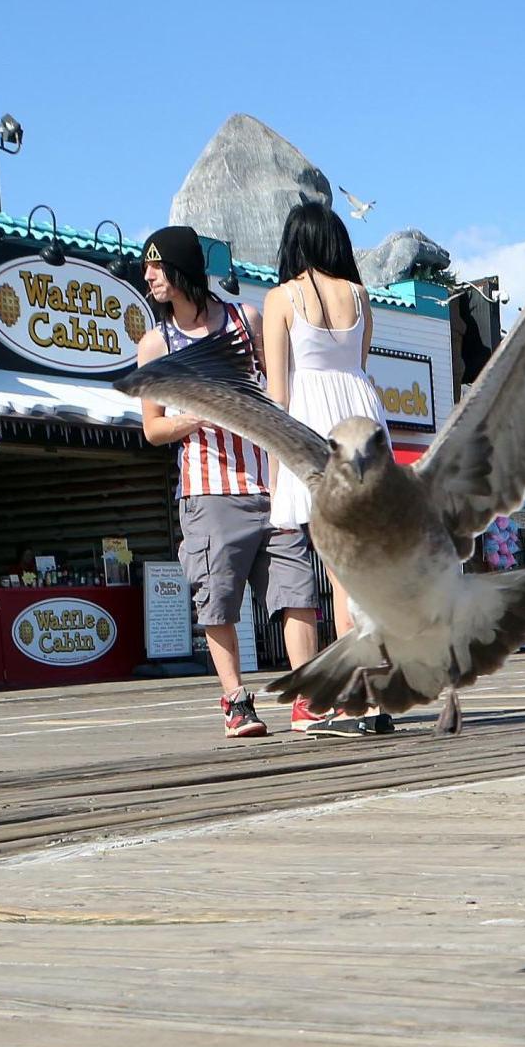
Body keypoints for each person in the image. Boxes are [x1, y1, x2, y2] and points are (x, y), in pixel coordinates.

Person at [136, 225, 320, 738]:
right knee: (217, 599)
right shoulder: (156, 344)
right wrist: (199, 414)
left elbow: (277, 386)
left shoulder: (247, 318)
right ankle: (237, 701)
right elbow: (153, 429)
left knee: (297, 591)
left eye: (157, 265)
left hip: (271, 479)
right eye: (147, 267)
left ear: (183, 270)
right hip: (208, 492)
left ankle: (306, 698)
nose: (149, 276)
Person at [264, 203, 393, 736]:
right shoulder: (360, 296)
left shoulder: (281, 298)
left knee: (341, 577)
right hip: (362, 423)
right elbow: (359, 365)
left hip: (313, 429)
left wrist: (276, 471)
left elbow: (277, 391)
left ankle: (356, 699)